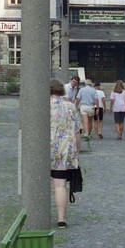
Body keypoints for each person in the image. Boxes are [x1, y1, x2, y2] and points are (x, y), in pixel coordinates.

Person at [49, 79, 82, 229]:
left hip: (44, 149)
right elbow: (77, 131)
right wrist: (77, 153)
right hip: (64, 150)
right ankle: (61, 219)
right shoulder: (70, 106)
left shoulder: (42, 106)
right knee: (60, 185)